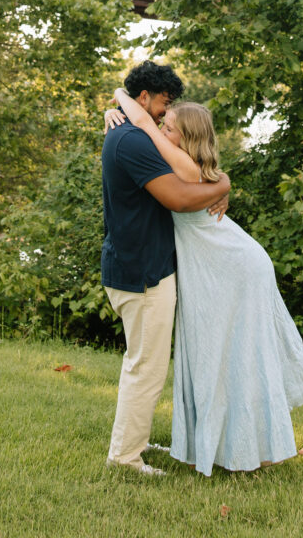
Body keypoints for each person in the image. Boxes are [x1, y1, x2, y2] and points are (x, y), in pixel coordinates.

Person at [105, 89, 303, 477]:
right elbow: (148, 130)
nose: (161, 129)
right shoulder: (181, 159)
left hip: (232, 263)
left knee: (249, 351)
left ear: (188, 139)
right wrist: (114, 109)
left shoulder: (178, 162)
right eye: (163, 123)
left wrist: (120, 99)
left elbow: (143, 125)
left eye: (170, 127)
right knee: (275, 340)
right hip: (227, 261)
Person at [101, 61, 230, 477]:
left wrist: (216, 184)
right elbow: (177, 197)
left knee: (141, 363)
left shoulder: (130, 133)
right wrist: (222, 186)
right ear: (144, 98)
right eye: (163, 102)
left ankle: (131, 442)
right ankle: (124, 457)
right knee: (147, 367)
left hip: (137, 266)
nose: (165, 111)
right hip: (142, 273)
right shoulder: (133, 141)